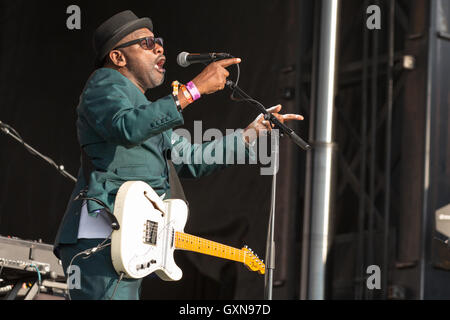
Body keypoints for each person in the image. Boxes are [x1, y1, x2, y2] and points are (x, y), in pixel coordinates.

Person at [53, 10, 304, 300]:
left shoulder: (148, 111)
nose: (159, 47)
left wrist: (251, 134)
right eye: (146, 43)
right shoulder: (104, 84)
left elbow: (193, 160)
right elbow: (126, 126)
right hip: (102, 237)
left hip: (128, 240)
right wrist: (193, 90)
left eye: (158, 41)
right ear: (118, 58)